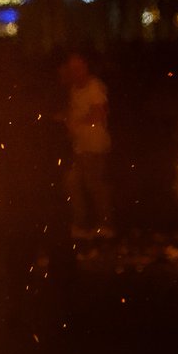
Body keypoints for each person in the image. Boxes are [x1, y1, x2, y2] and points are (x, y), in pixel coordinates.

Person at [60, 51, 114, 239]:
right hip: (80, 146)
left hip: (95, 146)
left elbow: (99, 113)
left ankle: (106, 225)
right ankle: (81, 225)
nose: (74, 72)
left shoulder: (94, 87)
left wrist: (78, 123)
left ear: (85, 67)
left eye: (78, 68)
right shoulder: (75, 89)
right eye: (71, 69)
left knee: (95, 185)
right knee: (73, 183)